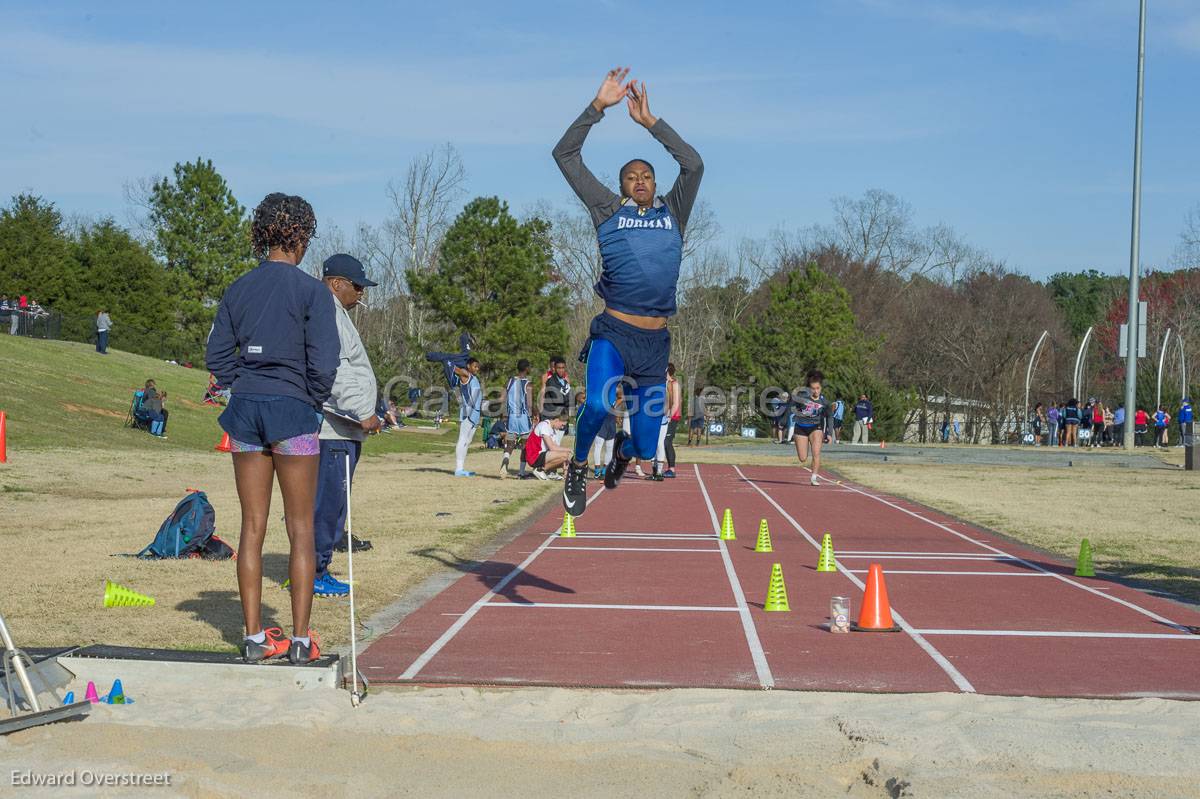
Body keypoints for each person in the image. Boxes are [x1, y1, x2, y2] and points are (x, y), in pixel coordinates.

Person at [552, 67, 704, 516]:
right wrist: (597, 107)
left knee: (643, 445)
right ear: (621, 185)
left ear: (656, 185)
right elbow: (565, 155)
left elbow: (693, 164)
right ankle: (578, 465)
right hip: (614, 332)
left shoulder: (674, 212)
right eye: (632, 176)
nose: (640, 180)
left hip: (655, 344)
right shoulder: (605, 208)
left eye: (647, 176)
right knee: (598, 403)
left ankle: (621, 452)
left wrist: (650, 123)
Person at [206, 192, 338, 665]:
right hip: (294, 410)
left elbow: (216, 358)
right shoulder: (312, 292)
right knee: (300, 528)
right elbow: (325, 363)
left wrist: (240, 381)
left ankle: (253, 637)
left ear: (261, 235)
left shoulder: (238, 288)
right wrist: (310, 399)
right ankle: (300, 641)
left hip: (245, 409)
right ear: (302, 237)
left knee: (252, 527)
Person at [311, 254, 381, 599]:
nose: (361, 295)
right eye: (357, 287)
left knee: (333, 504)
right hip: (333, 432)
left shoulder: (336, 313)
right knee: (329, 506)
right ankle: (314, 572)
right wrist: (363, 411)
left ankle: (312, 568)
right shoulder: (328, 314)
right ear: (336, 283)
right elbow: (335, 373)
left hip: (343, 431)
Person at [790, 370, 833, 486]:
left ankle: (814, 477)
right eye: (813, 388)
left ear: (821, 388)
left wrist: (829, 433)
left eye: (818, 388)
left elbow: (830, 416)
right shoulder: (802, 397)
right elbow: (792, 406)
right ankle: (799, 443)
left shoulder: (824, 402)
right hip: (801, 427)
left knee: (816, 453)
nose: (816, 391)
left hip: (816, 427)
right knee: (803, 458)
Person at [501, 359, 534, 479]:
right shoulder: (528, 384)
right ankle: (521, 472)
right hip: (524, 417)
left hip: (512, 417)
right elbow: (529, 404)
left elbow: (501, 398)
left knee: (510, 443)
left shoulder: (509, 381)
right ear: (526, 369)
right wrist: (534, 415)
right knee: (525, 445)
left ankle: (505, 459)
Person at [452, 358, 483, 476]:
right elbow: (455, 369)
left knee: (468, 441)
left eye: (478, 367)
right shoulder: (466, 376)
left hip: (475, 413)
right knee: (463, 439)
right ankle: (458, 469)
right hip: (467, 412)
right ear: (468, 366)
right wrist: (458, 361)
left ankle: (462, 468)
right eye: (474, 366)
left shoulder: (474, 378)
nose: (477, 368)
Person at [651, 363, 681, 479]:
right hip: (662, 416)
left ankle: (671, 469)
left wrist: (669, 416)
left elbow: (676, 403)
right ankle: (657, 469)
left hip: (672, 416)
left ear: (667, 371)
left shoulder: (674, 384)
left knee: (666, 442)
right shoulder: (663, 383)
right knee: (659, 442)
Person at [525, 414, 572, 479]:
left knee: (565, 457)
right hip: (535, 457)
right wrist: (569, 450)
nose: (562, 428)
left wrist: (566, 471)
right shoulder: (544, 425)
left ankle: (551, 472)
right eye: (562, 425)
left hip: (543, 455)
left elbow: (556, 448)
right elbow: (552, 448)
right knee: (564, 455)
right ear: (556, 420)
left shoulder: (553, 430)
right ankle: (540, 470)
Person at [540, 357, 572, 445]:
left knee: (556, 444)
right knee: (549, 445)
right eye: (558, 368)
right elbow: (558, 398)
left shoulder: (565, 382)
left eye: (563, 368)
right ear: (554, 368)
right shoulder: (550, 381)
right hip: (550, 417)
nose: (561, 370)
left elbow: (570, 399)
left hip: (561, 417)